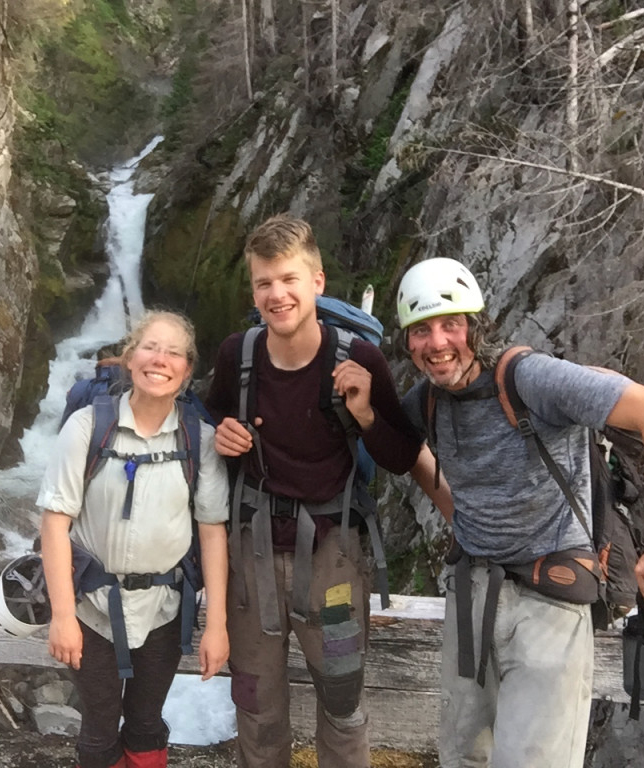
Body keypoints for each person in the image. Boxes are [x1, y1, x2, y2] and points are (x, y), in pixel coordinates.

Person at [395, 257, 644, 768]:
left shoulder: (530, 378)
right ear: (408, 342)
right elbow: (399, 450)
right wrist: (462, 518)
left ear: (476, 326)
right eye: (421, 331)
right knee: (461, 756)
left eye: (451, 324)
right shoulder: (427, 400)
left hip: (549, 603)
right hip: (471, 595)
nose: (438, 343)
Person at [206, 214, 432, 768]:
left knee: (342, 701)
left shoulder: (359, 358)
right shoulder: (237, 355)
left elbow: (401, 456)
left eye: (288, 279)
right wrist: (218, 433)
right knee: (256, 706)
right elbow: (206, 417)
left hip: (333, 556)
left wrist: (365, 412)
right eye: (264, 283)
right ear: (254, 290)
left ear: (317, 283)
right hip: (251, 561)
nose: (277, 294)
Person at [38, 310, 230, 768]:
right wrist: (63, 615)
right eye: (150, 347)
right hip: (93, 609)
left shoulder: (198, 440)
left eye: (174, 352)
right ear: (128, 358)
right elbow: (53, 523)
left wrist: (218, 625)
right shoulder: (86, 427)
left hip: (164, 608)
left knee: (146, 721)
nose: (160, 359)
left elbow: (213, 533)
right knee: (100, 723)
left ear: (187, 369)